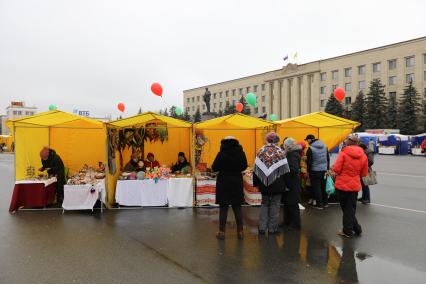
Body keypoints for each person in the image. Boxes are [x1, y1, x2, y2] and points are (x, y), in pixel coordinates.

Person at [253, 132, 289, 235]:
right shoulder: (281, 152)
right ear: (277, 140)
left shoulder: (261, 151)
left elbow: (256, 169)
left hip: (264, 183)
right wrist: (286, 185)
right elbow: (286, 170)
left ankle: (262, 228)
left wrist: (256, 183)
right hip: (278, 184)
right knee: (275, 206)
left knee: (264, 205)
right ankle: (272, 228)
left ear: (267, 140)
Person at [332, 135, 368, 238]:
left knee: (347, 209)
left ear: (348, 142)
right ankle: (356, 228)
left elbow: (337, 169)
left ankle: (347, 231)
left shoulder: (343, 153)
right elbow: (364, 173)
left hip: (342, 185)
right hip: (354, 185)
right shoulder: (363, 155)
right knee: (350, 209)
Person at [212, 136, 248, 240]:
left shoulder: (221, 153)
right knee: (237, 207)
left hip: (223, 182)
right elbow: (244, 166)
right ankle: (240, 232)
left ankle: (222, 232)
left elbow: (214, 167)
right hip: (237, 181)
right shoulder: (241, 153)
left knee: (223, 207)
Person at [305, 134, 330, 209]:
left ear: (310, 140)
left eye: (307, 140)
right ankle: (325, 203)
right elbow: (327, 159)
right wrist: (327, 169)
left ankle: (319, 204)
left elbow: (309, 162)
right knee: (323, 187)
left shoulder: (310, 149)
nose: (307, 141)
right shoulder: (325, 147)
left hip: (314, 171)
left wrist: (308, 171)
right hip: (324, 170)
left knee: (317, 188)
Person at [282, 137, 302, 230]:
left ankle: (295, 224)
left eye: (285, 145)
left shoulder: (292, 155)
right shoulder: (292, 153)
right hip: (291, 182)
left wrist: (285, 174)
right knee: (287, 203)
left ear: (288, 146)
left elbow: (293, 169)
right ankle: (287, 222)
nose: (284, 146)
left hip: (292, 183)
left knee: (292, 204)